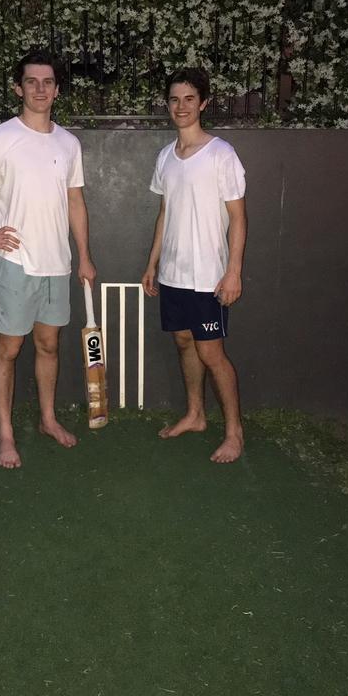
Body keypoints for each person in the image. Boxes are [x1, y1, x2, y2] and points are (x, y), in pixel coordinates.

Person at [0, 51, 96, 469]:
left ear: (57, 89)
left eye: (48, 82)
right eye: (32, 81)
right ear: (18, 88)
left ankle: (48, 419)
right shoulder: (0, 138)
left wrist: (84, 256)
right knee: (8, 349)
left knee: (49, 345)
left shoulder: (68, 142)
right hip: (16, 264)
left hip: (58, 264)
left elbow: (75, 201)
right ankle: (5, 434)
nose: (40, 89)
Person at [141, 67, 247, 463]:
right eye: (174, 99)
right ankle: (195, 415)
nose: (180, 106)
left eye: (189, 99)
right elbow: (165, 212)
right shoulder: (165, 157)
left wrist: (233, 271)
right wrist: (152, 263)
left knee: (212, 354)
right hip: (172, 273)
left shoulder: (222, 154)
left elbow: (238, 217)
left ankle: (234, 433)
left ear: (203, 103)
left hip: (208, 277)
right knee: (184, 341)